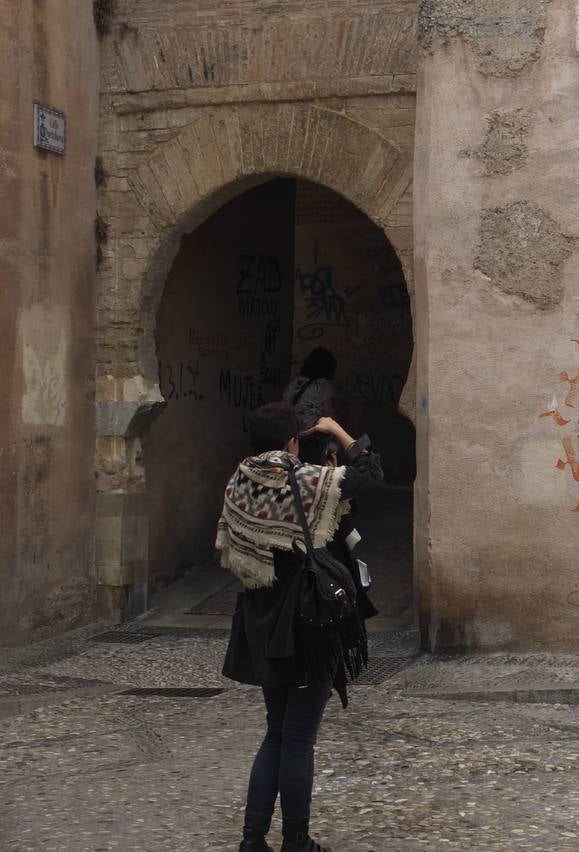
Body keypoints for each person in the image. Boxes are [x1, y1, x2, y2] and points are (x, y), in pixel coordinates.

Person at [218, 403, 382, 852]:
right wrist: (337, 430)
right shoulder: (307, 481)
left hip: (261, 621)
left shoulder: (238, 483)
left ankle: (253, 838)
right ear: (292, 441)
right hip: (307, 623)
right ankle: (297, 839)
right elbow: (370, 472)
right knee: (298, 739)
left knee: (276, 730)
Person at [282, 347, 338, 465]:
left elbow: (284, 407)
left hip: (292, 437)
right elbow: (329, 414)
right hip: (313, 439)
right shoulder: (322, 385)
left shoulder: (294, 382)